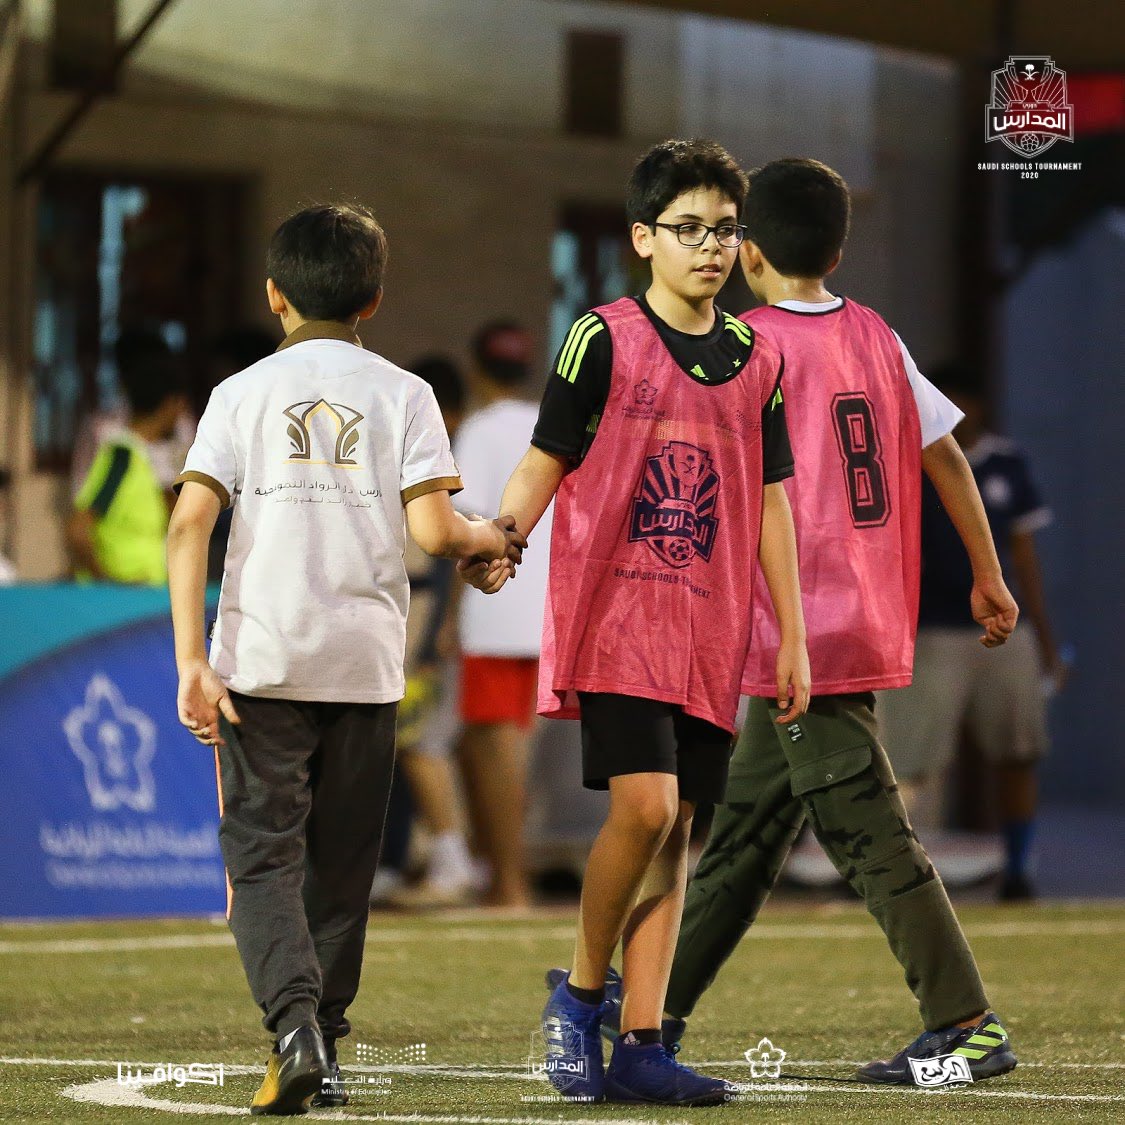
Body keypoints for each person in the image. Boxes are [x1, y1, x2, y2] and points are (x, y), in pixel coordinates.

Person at [577, 158, 1019, 1087]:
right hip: (857, 614)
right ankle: (652, 1014)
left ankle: (966, 1023)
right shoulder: (876, 336)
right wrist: (987, 570)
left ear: (747, 250)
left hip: (793, 631)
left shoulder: (745, 346)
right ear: (837, 249)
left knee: (869, 832)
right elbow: (945, 455)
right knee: (738, 839)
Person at [466, 139, 809, 1106]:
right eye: (688, 228)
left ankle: (644, 1039)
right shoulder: (601, 337)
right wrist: (504, 536)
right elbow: (547, 454)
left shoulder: (758, 356)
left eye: (725, 231)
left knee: (681, 825)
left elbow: (771, 500)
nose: (710, 247)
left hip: (711, 625)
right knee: (648, 806)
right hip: (619, 612)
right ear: (642, 238)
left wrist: (790, 631)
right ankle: (581, 995)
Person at [167, 202, 524, 1116]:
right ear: (372, 299)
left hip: (261, 663)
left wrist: (191, 660)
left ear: (274, 294)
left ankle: (295, 1032)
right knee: (342, 866)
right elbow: (434, 531)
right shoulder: (405, 392)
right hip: (365, 667)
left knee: (261, 860)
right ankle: (324, 1039)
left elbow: (189, 523)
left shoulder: (239, 393)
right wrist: (491, 538)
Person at [879, 362, 1063, 901]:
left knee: (1018, 750)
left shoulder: (1007, 462)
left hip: (1003, 625)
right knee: (909, 759)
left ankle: (1020, 867)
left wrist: (1045, 639)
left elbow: (1025, 555)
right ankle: (895, 874)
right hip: (932, 629)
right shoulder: (909, 458)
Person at [453, 322, 552, 908]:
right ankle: (508, 876)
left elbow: (464, 527)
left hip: (493, 608)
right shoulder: (548, 423)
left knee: (497, 750)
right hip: (546, 609)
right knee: (514, 748)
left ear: (476, 369)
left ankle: (509, 882)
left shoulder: (480, 429)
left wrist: (446, 620)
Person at [387, 354, 480, 908]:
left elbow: (447, 559)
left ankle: (453, 859)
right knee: (407, 745)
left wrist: (435, 635)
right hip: (408, 622)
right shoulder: (416, 451)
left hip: (419, 631)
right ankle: (408, 859)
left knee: (421, 743)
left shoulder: (443, 459)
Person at [67, 329, 187, 585]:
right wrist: (107, 584)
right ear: (170, 404)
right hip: (118, 599)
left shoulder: (142, 458)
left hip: (145, 595)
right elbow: (78, 530)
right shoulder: (121, 457)